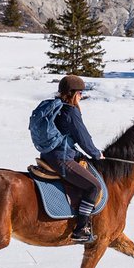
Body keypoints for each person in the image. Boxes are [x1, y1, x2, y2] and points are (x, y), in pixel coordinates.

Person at [42, 74, 104, 243]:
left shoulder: (56, 107)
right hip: (61, 158)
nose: (81, 96)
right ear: (73, 93)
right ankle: (81, 228)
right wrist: (96, 154)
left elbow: (64, 138)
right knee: (94, 187)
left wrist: (77, 154)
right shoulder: (70, 111)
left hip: (48, 155)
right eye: (80, 93)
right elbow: (83, 138)